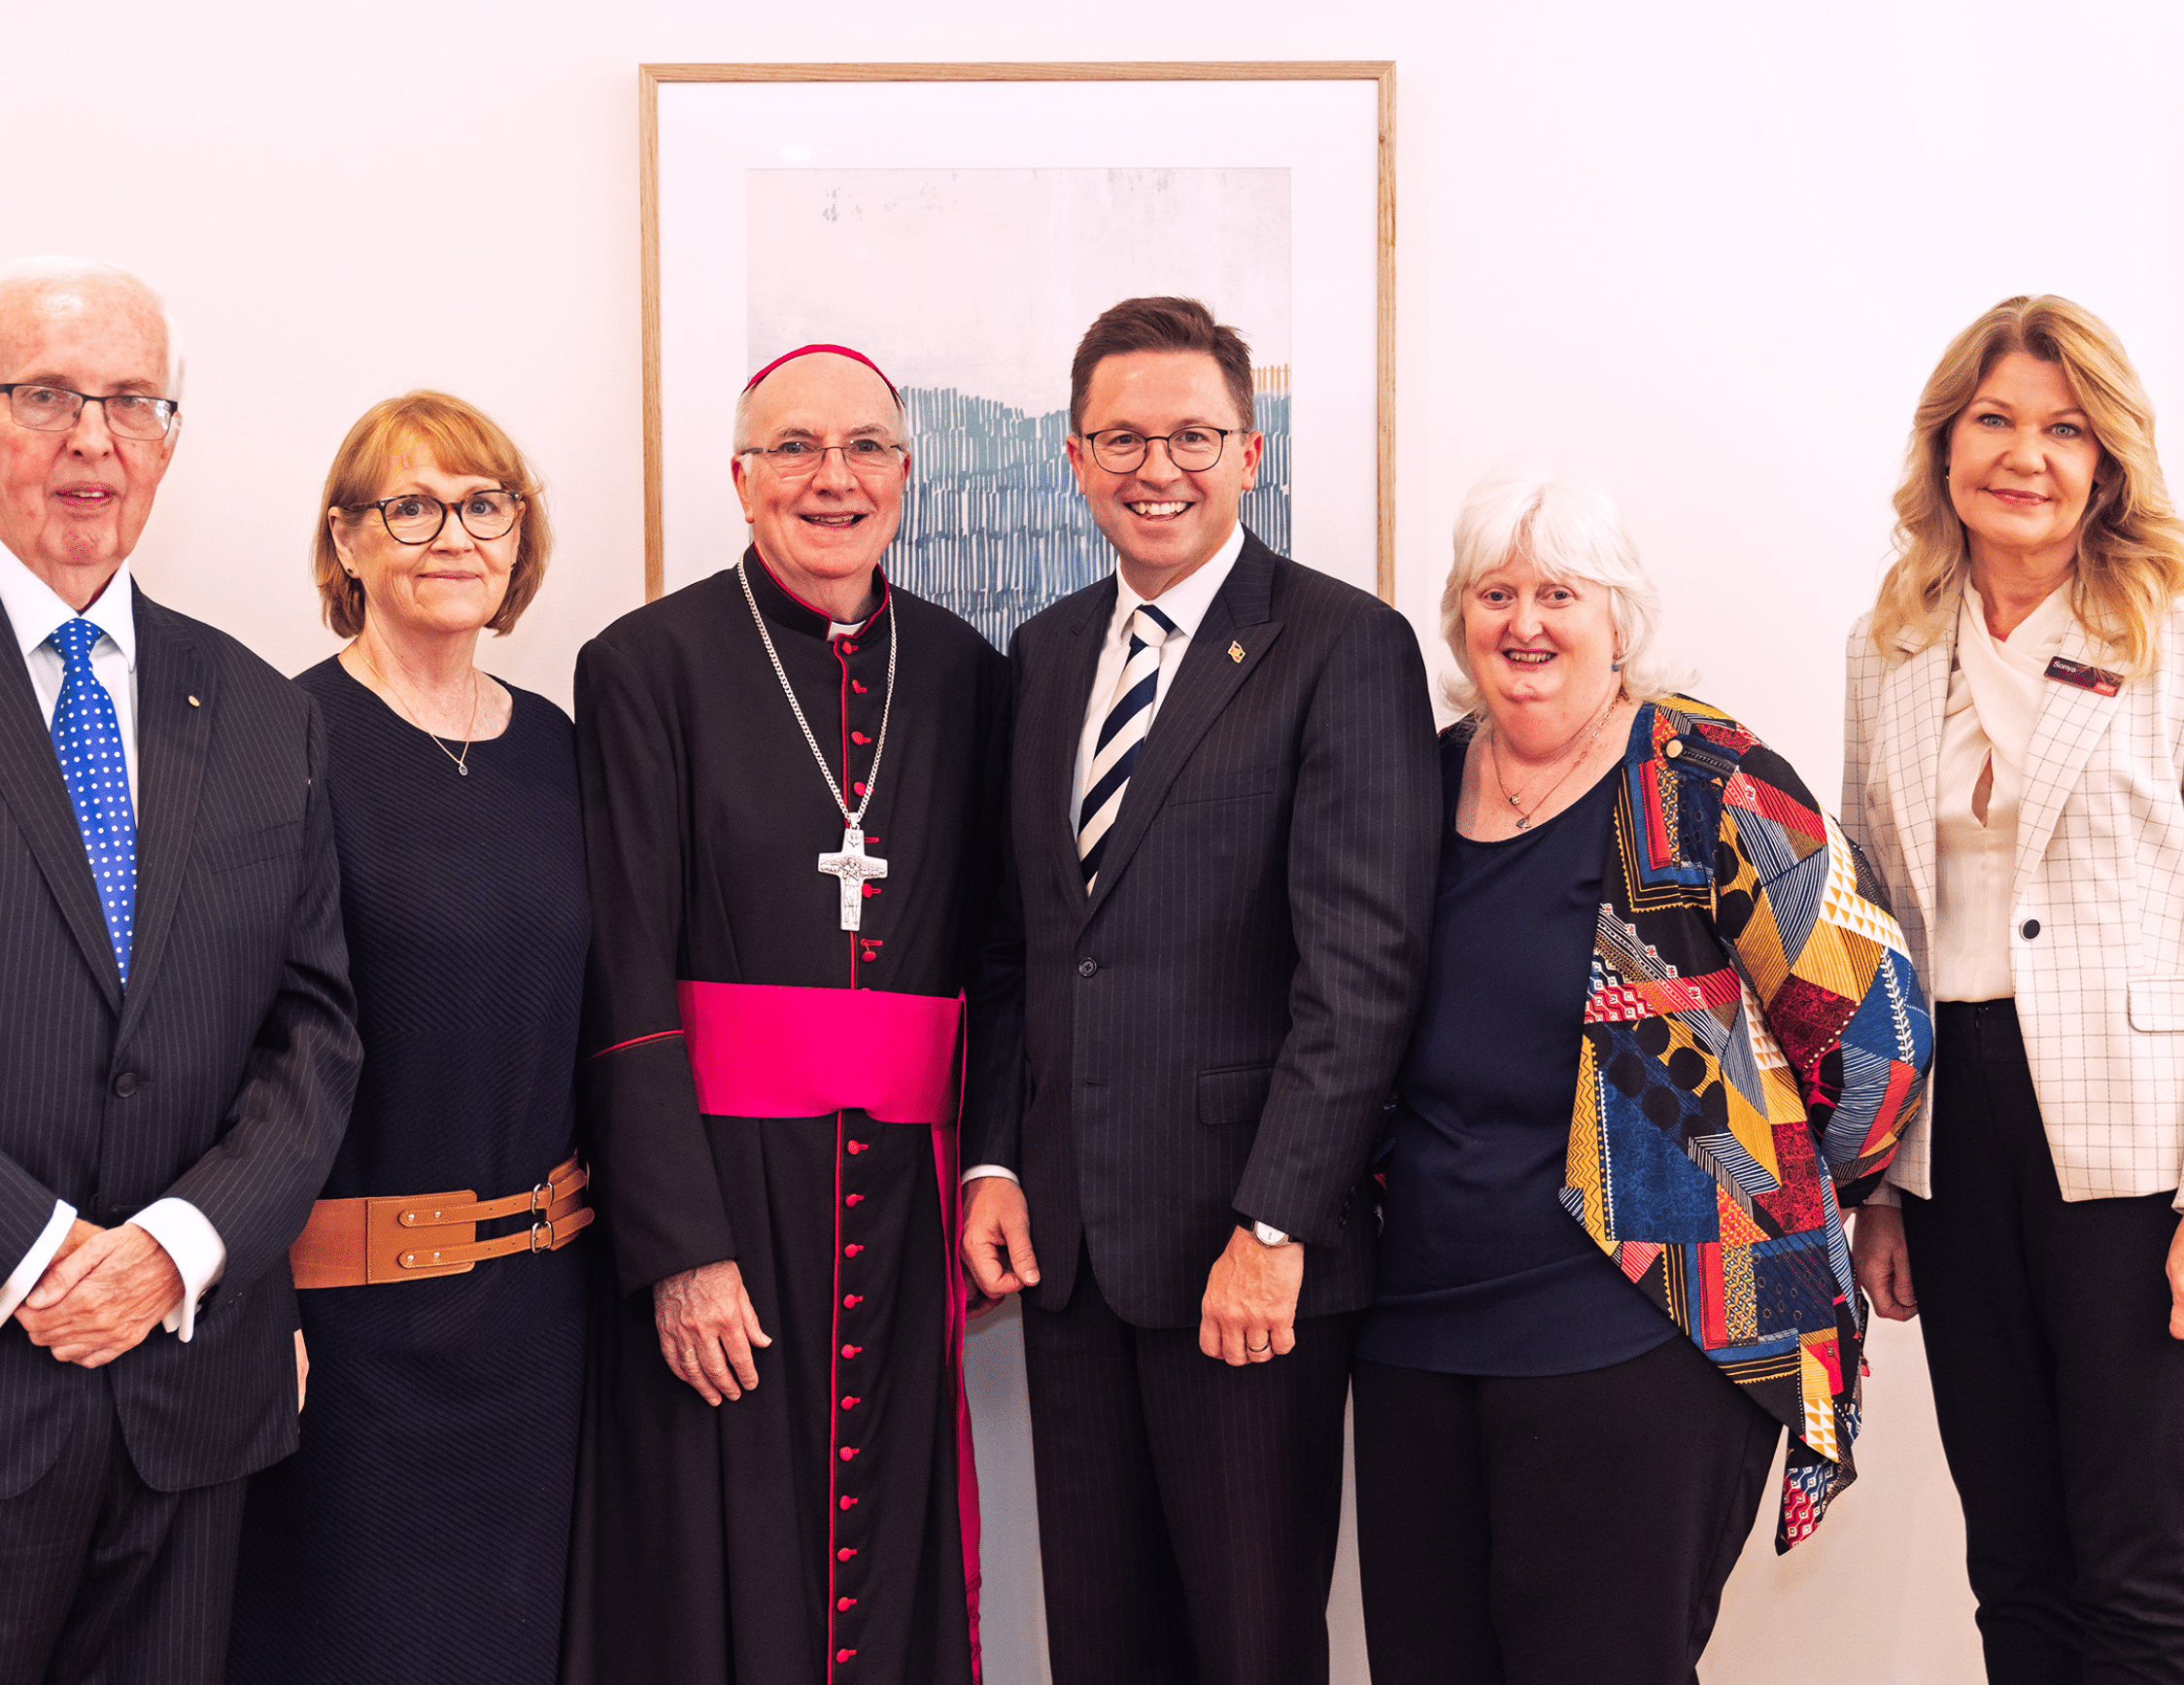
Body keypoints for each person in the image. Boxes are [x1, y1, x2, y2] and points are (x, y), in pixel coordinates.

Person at [1349, 466, 1929, 1684]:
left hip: (1639, 1334)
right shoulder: (1408, 776)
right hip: (1415, 1331)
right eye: (1492, 592)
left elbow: (1871, 1022)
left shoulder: (1704, 780)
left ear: (1620, 617)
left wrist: (1767, 1188)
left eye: (1558, 592)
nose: (1522, 623)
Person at [958, 295, 1441, 1684]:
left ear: (1248, 452)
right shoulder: (1046, 656)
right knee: (1099, 1641)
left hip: (1250, 1256)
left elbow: (1364, 969)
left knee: (1247, 1643)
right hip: (1073, 1252)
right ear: (1073, 456)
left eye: (1190, 435)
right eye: (1122, 436)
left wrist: (1276, 1220)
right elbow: (1017, 946)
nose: (1154, 466)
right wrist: (995, 1158)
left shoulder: (1343, 647)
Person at [0, 258, 358, 1684]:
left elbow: (314, 1036)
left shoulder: (256, 708)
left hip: (192, 1400)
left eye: (131, 402)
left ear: (170, 441)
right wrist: (38, 1253)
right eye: (46, 395)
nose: (92, 439)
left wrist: (177, 1244)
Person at [562, 344, 1006, 1685]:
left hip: (910, 1200)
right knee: (712, 1552)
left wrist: (990, 1168)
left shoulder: (969, 674)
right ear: (741, 477)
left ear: (908, 476)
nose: (835, 477)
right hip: (723, 1190)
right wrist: (677, 1245)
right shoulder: (646, 663)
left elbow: (1004, 954)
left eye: (866, 446)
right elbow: (623, 969)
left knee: (898, 1549)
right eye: (797, 448)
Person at [226, 393, 591, 1683]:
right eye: (412, 505)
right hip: (352, 1343)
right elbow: (237, 1051)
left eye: (486, 503)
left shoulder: (562, 746)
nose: (455, 534)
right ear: (348, 541)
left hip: (542, 1327)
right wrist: (258, 1304)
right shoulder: (280, 742)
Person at [1844, 295, 2184, 1681]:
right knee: (2015, 1555)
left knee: (2141, 1559)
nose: (2024, 455)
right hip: (1953, 1130)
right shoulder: (1889, 644)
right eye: (1995, 420)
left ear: (2105, 459)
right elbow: (1858, 921)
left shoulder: (2162, 630)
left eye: (2063, 427)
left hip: (2131, 1145)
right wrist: (1874, 1179)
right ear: (1946, 442)